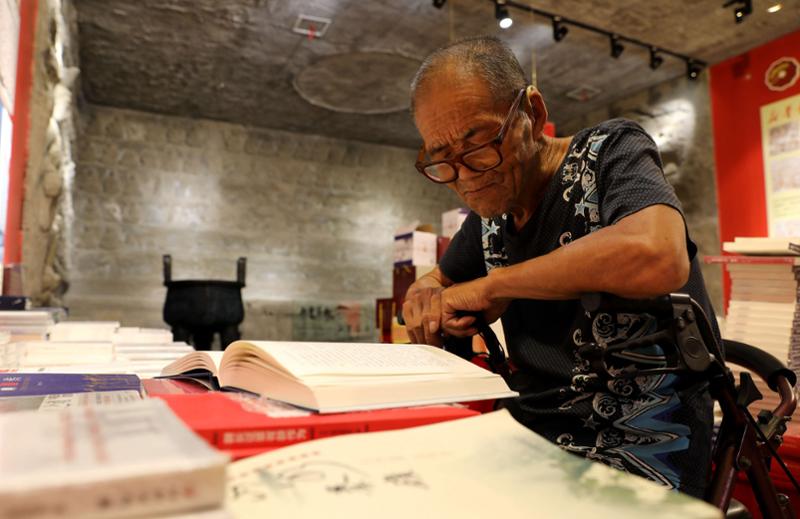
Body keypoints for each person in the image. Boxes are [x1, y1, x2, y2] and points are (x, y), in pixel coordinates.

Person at [403, 35, 720, 499]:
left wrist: (495, 286)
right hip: (529, 430)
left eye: (480, 144)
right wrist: (423, 300)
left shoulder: (610, 152)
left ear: (532, 114)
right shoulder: (492, 213)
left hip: (643, 439)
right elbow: (436, 279)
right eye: (442, 158)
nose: (466, 175)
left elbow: (658, 254)